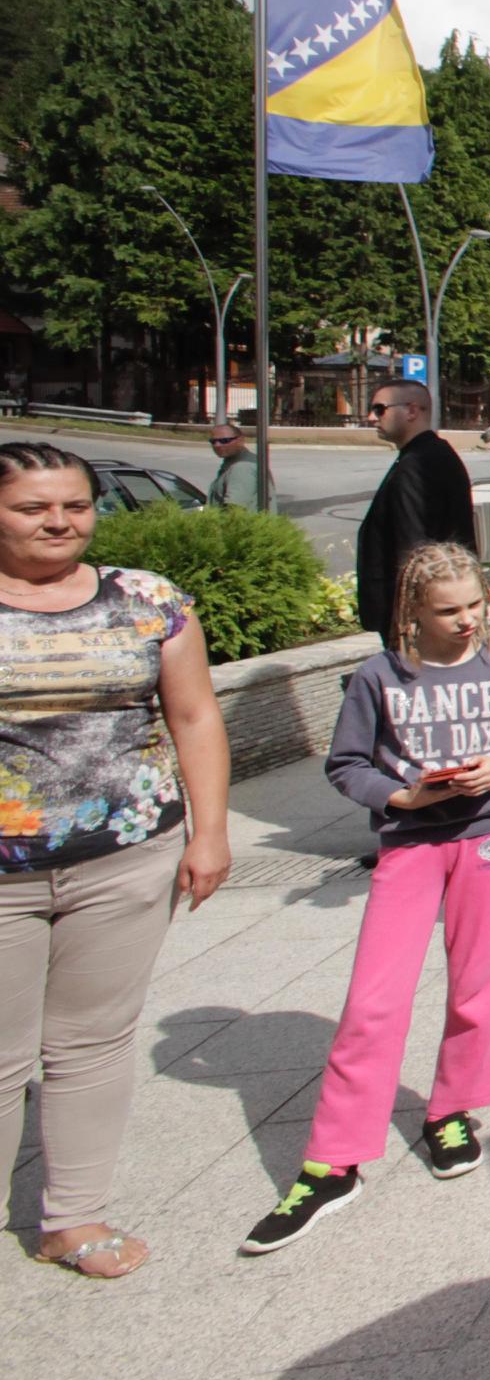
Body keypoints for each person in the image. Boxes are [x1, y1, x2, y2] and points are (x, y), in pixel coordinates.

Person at [240, 542, 490, 1253]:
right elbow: (345, 764)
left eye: (475, 604)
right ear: (413, 611)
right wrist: (399, 795)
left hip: (489, 837)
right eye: (449, 610)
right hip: (410, 841)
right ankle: (333, 1160)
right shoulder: (378, 677)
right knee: (374, 1002)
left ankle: (452, 1111)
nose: (467, 620)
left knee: (474, 988)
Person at [0, 441, 232, 1279]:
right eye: (34, 507)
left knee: (92, 1041)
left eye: (75, 505)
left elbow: (196, 716)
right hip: (3, 870)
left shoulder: (147, 601)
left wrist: (209, 833)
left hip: (124, 855)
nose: (59, 521)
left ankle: (72, 1216)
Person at [354, 379, 476, 649]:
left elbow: (412, 546)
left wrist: (410, 618)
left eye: (380, 409)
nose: (371, 417)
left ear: (411, 411)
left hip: (417, 620)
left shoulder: (418, 465)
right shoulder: (433, 455)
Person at [203, 424, 273, 512]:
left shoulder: (242, 467)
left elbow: (234, 510)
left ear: (241, 440)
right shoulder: (235, 462)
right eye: (213, 441)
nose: (217, 445)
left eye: (225, 440)